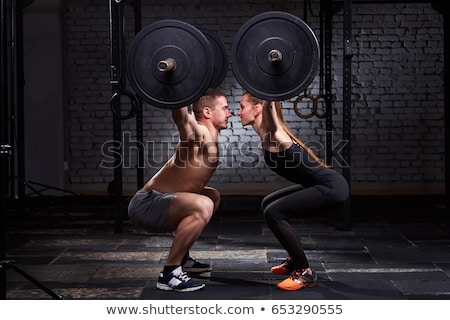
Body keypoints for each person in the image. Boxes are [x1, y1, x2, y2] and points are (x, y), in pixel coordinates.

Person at [238, 92, 349, 291]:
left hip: (331, 187)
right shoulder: (267, 134)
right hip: (321, 184)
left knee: (274, 212)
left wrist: (268, 86)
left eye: (241, 106)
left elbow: (270, 105)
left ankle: (305, 272)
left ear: (257, 109)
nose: (237, 112)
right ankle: (293, 260)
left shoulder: (275, 132)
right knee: (267, 204)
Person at [128, 88, 232, 292]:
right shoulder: (199, 135)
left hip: (162, 202)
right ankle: (169, 273)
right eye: (225, 108)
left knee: (211, 195)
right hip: (147, 204)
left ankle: (183, 258)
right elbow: (182, 118)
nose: (230, 113)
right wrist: (179, 85)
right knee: (204, 205)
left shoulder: (209, 137)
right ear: (208, 112)